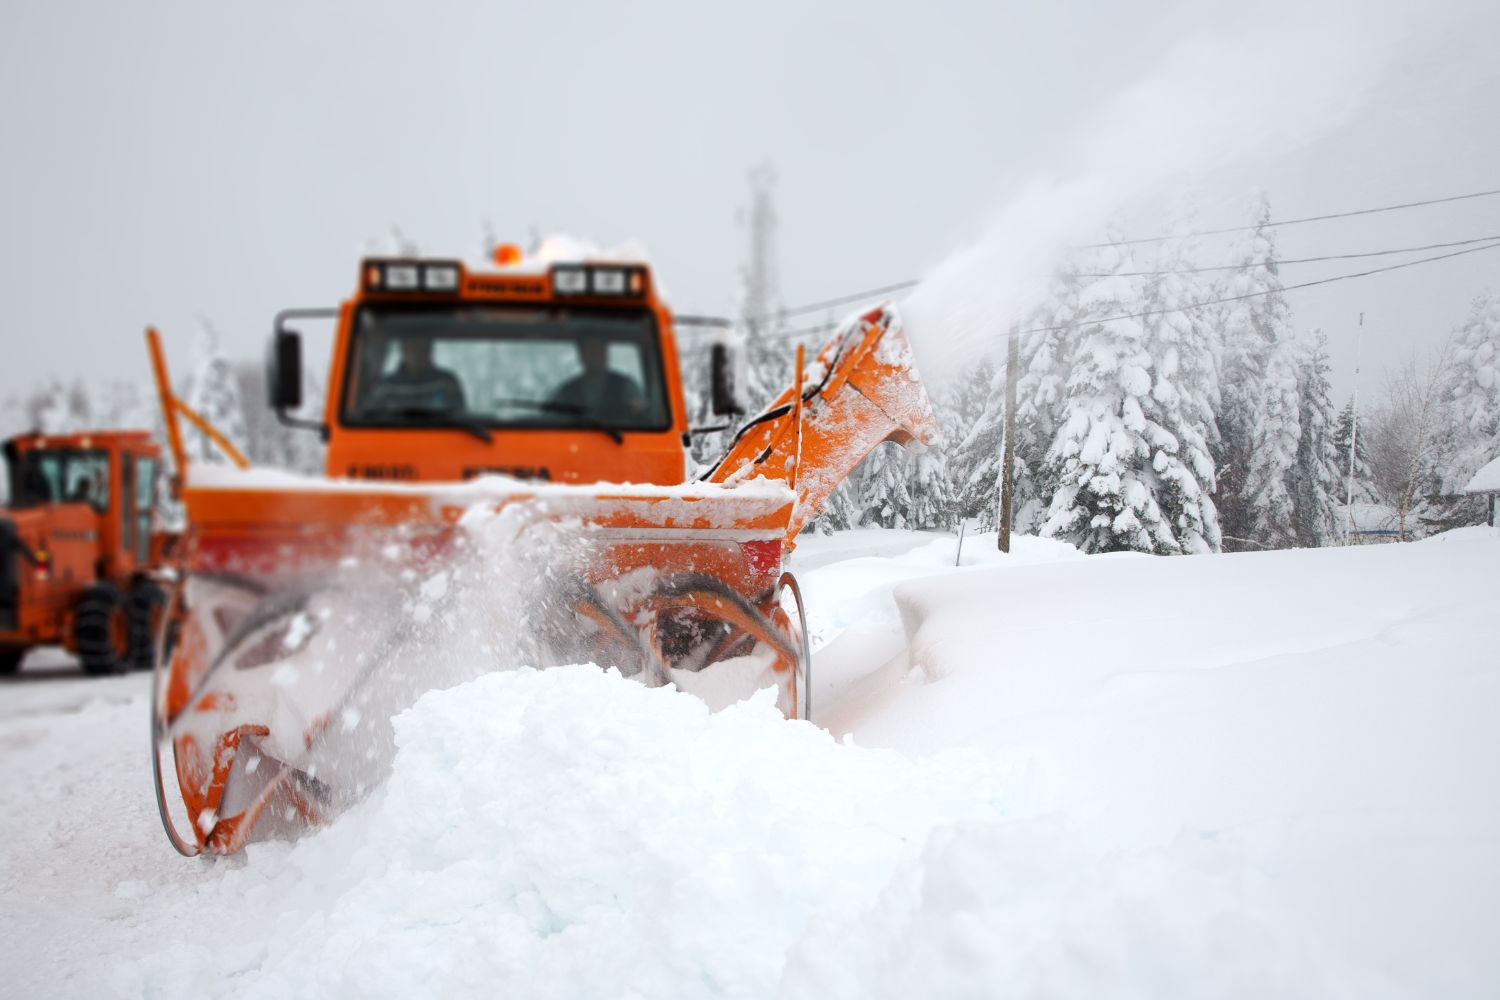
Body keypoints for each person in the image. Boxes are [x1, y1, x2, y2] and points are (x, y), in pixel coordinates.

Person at [365, 337, 466, 414]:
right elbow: (371, 420)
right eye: (414, 348)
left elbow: (460, 416)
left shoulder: (446, 382)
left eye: (423, 349)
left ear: (430, 351)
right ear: (404, 352)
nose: (418, 354)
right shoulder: (386, 386)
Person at [549, 339, 643, 418]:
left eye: (600, 350)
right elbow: (552, 417)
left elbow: (639, 414)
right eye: (591, 350)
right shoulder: (566, 391)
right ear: (581, 355)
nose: (596, 355)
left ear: (606, 354)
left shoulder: (626, 386)